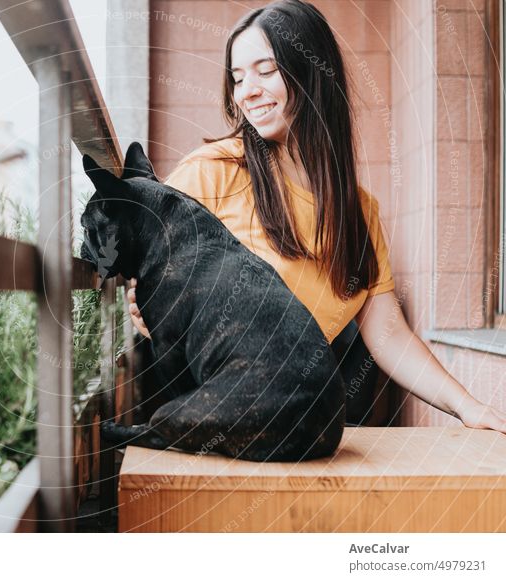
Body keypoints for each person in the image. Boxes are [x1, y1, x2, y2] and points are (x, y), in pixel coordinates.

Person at [126, 0, 506, 433]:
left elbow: (388, 336)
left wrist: (468, 407)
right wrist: (145, 301)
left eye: (265, 71)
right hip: (206, 426)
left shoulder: (358, 214)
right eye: (237, 78)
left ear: (312, 71)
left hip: (288, 427)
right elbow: (145, 264)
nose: (246, 90)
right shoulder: (212, 173)